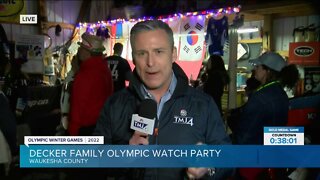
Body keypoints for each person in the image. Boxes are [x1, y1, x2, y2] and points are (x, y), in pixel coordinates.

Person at [94, 20, 232, 179]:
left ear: (173, 54)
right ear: (133, 57)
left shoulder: (203, 104)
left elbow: (228, 160)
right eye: (142, 53)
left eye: (158, 51)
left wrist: (210, 166)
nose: (150, 63)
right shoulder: (115, 104)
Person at [231, 52, 299, 179]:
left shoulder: (260, 97)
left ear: (267, 71)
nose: (254, 69)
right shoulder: (280, 94)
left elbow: (245, 136)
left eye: (258, 66)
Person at [68, 33, 113, 136]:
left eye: (81, 48)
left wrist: (72, 133)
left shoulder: (84, 74)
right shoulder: (105, 70)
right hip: (102, 126)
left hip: (85, 130)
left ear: (87, 52)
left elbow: (78, 108)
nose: (79, 51)